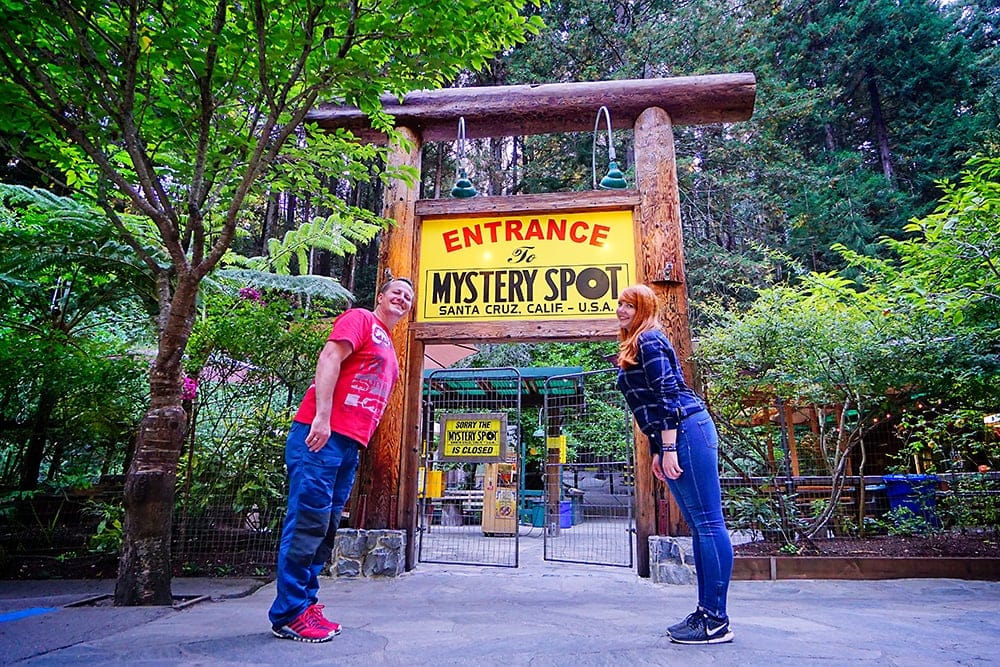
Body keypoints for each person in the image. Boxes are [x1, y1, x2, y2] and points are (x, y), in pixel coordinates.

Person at [268, 277, 415, 643]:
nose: (403, 298)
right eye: (396, 291)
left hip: (348, 445)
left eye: (409, 296)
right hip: (321, 435)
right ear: (379, 296)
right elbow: (330, 356)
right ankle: (288, 613)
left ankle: (306, 603)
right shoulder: (361, 318)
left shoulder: (391, 346)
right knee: (307, 522)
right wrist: (321, 416)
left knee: (326, 526)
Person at [615, 284, 734, 645]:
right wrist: (656, 449)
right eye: (619, 303)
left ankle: (716, 621)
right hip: (676, 433)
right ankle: (706, 613)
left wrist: (668, 447)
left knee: (709, 523)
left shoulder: (649, 340)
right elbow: (650, 403)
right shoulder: (638, 342)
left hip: (686, 430)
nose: (620, 309)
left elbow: (667, 395)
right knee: (701, 525)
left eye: (629, 305)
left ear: (644, 309)